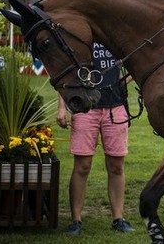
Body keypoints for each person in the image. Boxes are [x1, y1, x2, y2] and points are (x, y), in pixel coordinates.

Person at [57, 42, 135, 236]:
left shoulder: (114, 37)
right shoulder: (82, 42)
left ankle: (118, 218)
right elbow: (65, 74)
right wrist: (61, 107)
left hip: (115, 107)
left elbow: (137, 61)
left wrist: (122, 83)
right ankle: (76, 220)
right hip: (85, 107)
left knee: (116, 165)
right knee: (82, 165)